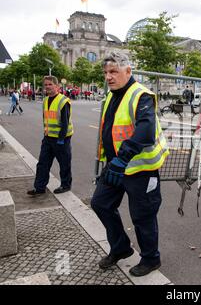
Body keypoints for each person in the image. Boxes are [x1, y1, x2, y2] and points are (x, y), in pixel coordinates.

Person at [90, 52, 169, 277]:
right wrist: (108, 162)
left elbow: (144, 132)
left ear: (128, 71)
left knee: (142, 215)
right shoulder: (112, 96)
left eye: (113, 71)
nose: (108, 77)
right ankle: (121, 248)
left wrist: (122, 158)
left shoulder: (141, 95)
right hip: (116, 166)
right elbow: (109, 133)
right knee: (100, 203)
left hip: (140, 169)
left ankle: (151, 258)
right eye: (106, 72)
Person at [27, 76, 73, 196]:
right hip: (48, 138)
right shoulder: (45, 100)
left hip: (61, 139)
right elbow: (45, 118)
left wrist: (61, 139)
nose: (47, 87)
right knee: (43, 163)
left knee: (64, 163)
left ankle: (65, 185)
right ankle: (40, 187)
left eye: (50, 84)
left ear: (57, 86)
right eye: (46, 85)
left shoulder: (63, 101)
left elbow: (65, 122)